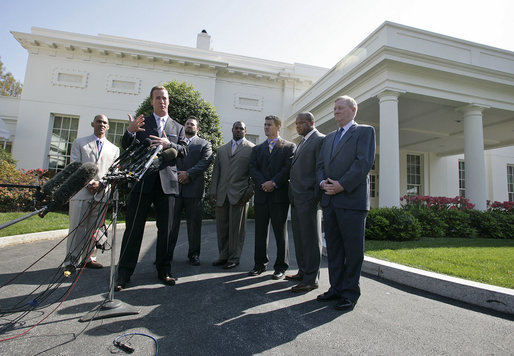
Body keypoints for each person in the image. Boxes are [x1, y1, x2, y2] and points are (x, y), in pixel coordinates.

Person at [115, 85, 188, 290]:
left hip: (168, 185)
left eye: (164, 98)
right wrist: (130, 132)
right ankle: (124, 274)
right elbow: (127, 145)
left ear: (168, 101)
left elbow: (184, 150)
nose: (162, 101)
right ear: (151, 101)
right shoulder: (142, 122)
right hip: (142, 182)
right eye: (158, 98)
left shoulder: (178, 127)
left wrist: (169, 144)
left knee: (166, 231)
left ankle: (164, 270)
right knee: (133, 229)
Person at [316, 95, 375, 311]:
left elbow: (363, 163)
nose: (336, 112)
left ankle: (350, 293)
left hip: (351, 201)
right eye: (335, 108)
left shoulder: (364, 132)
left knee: (352, 251)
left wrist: (341, 185)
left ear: (354, 110)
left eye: (341, 108)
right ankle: (336, 288)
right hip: (330, 201)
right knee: (334, 249)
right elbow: (320, 165)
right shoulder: (329, 138)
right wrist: (323, 182)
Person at [64, 114, 119, 270]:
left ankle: (89, 258)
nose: (102, 124)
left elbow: (113, 171)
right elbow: (75, 165)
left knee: (95, 229)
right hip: (81, 192)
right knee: (77, 227)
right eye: (99, 121)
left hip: (101, 193)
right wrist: (89, 183)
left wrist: (101, 183)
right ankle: (71, 261)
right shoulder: (80, 143)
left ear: (108, 127)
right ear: (92, 123)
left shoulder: (114, 149)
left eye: (105, 123)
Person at [248, 115, 295, 280]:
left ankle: (281, 266)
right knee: (260, 232)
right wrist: (264, 183)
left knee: (280, 232)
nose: (266, 127)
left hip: (279, 197)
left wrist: (273, 183)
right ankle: (259, 265)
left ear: (278, 127)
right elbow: (252, 168)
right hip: (261, 196)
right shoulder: (257, 149)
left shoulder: (289, 147)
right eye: (265, 124)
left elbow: (287, 169)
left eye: (269, 125)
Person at [287, 112, 325, 293]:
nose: (298, 126)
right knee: (300, 238)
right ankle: (303, 272)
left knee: (310, 239)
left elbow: (321, 169)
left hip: (309, 198)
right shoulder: (302, 142)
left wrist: (315, 196)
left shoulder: (319, 140)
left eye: (301, 123)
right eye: (296, 124)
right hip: (296, 197)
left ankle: (311, 279)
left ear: (311, 122)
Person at [209, 121, 255, 270]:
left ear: (245, 131)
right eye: (236, 128)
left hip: (240, 195)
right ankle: (223, 256)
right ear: (232, 130)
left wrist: (249, 193)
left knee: (237, 229)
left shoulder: (252, 149)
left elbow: (254, 174)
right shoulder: (222, 149)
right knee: (222, 227)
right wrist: (213, 191)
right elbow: (216, 172)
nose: (238, 130)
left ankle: (234, 258)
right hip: (222, 195)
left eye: (241, 128)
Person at [169, 116, 213, 266]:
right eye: (187, 123)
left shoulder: (204, 144)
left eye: (192, 124)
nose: (189, 126)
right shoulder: (174, 143)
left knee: (194, 226)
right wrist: (177, 174)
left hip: (194, 190)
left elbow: (205, 162)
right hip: (174, 188)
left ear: (197, 128)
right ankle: (166, 255)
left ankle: (194, 254)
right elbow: (168, 161)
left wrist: (188, 174)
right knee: (170, 225)